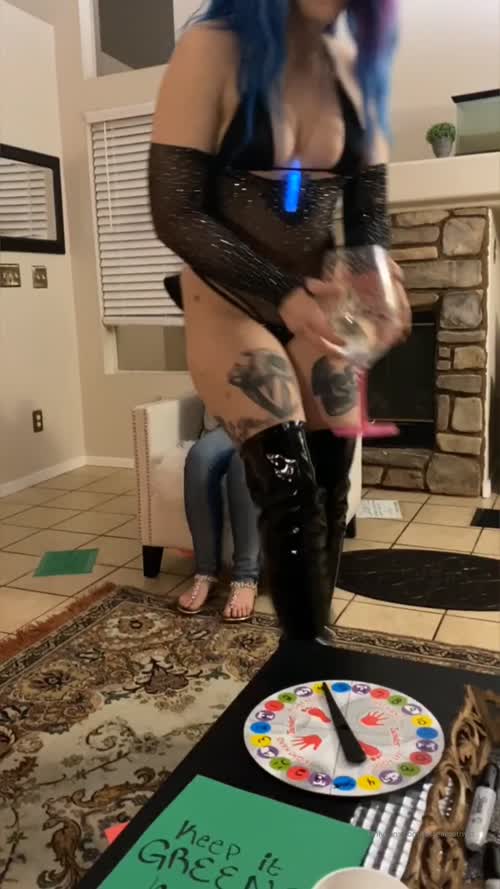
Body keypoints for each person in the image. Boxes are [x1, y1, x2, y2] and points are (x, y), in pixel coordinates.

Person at [150, 0, 410, 644]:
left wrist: (375, 277)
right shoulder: (212, 48)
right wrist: (282, 292)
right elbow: (176, 212)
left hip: (318, 302)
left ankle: (315, 646)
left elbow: (367, 213)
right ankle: (305, 661)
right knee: (288, 485)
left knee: (329, 482)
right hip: (228, 298)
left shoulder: (356, 66)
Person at [177, 410, 260, 621]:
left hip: (279, 426)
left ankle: (245, 578)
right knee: (199, 457)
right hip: (235, 423)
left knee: (245, 459)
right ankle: (205, 573)